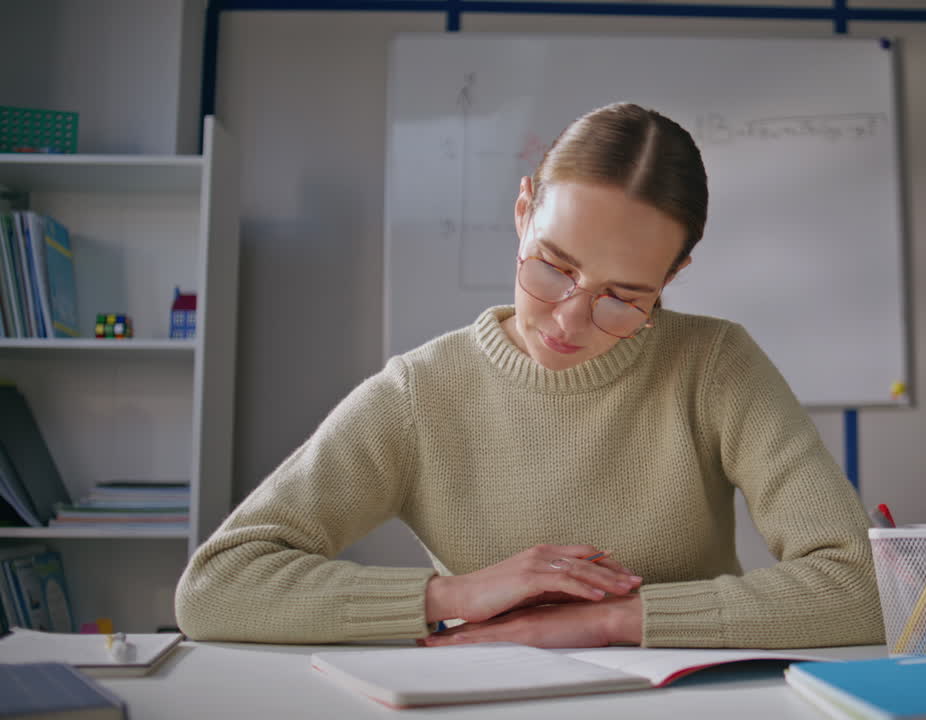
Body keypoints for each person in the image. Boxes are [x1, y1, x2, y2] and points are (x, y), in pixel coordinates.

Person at [175, 102, 882, 649]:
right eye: (554, 267)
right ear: (522, 213)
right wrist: (454, 596)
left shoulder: (716, 365)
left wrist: (614, 621)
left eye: (624, 297)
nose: (568, 321)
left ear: (672, 278)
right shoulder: (422, 392)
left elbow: (864, 587)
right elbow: (216, 587)